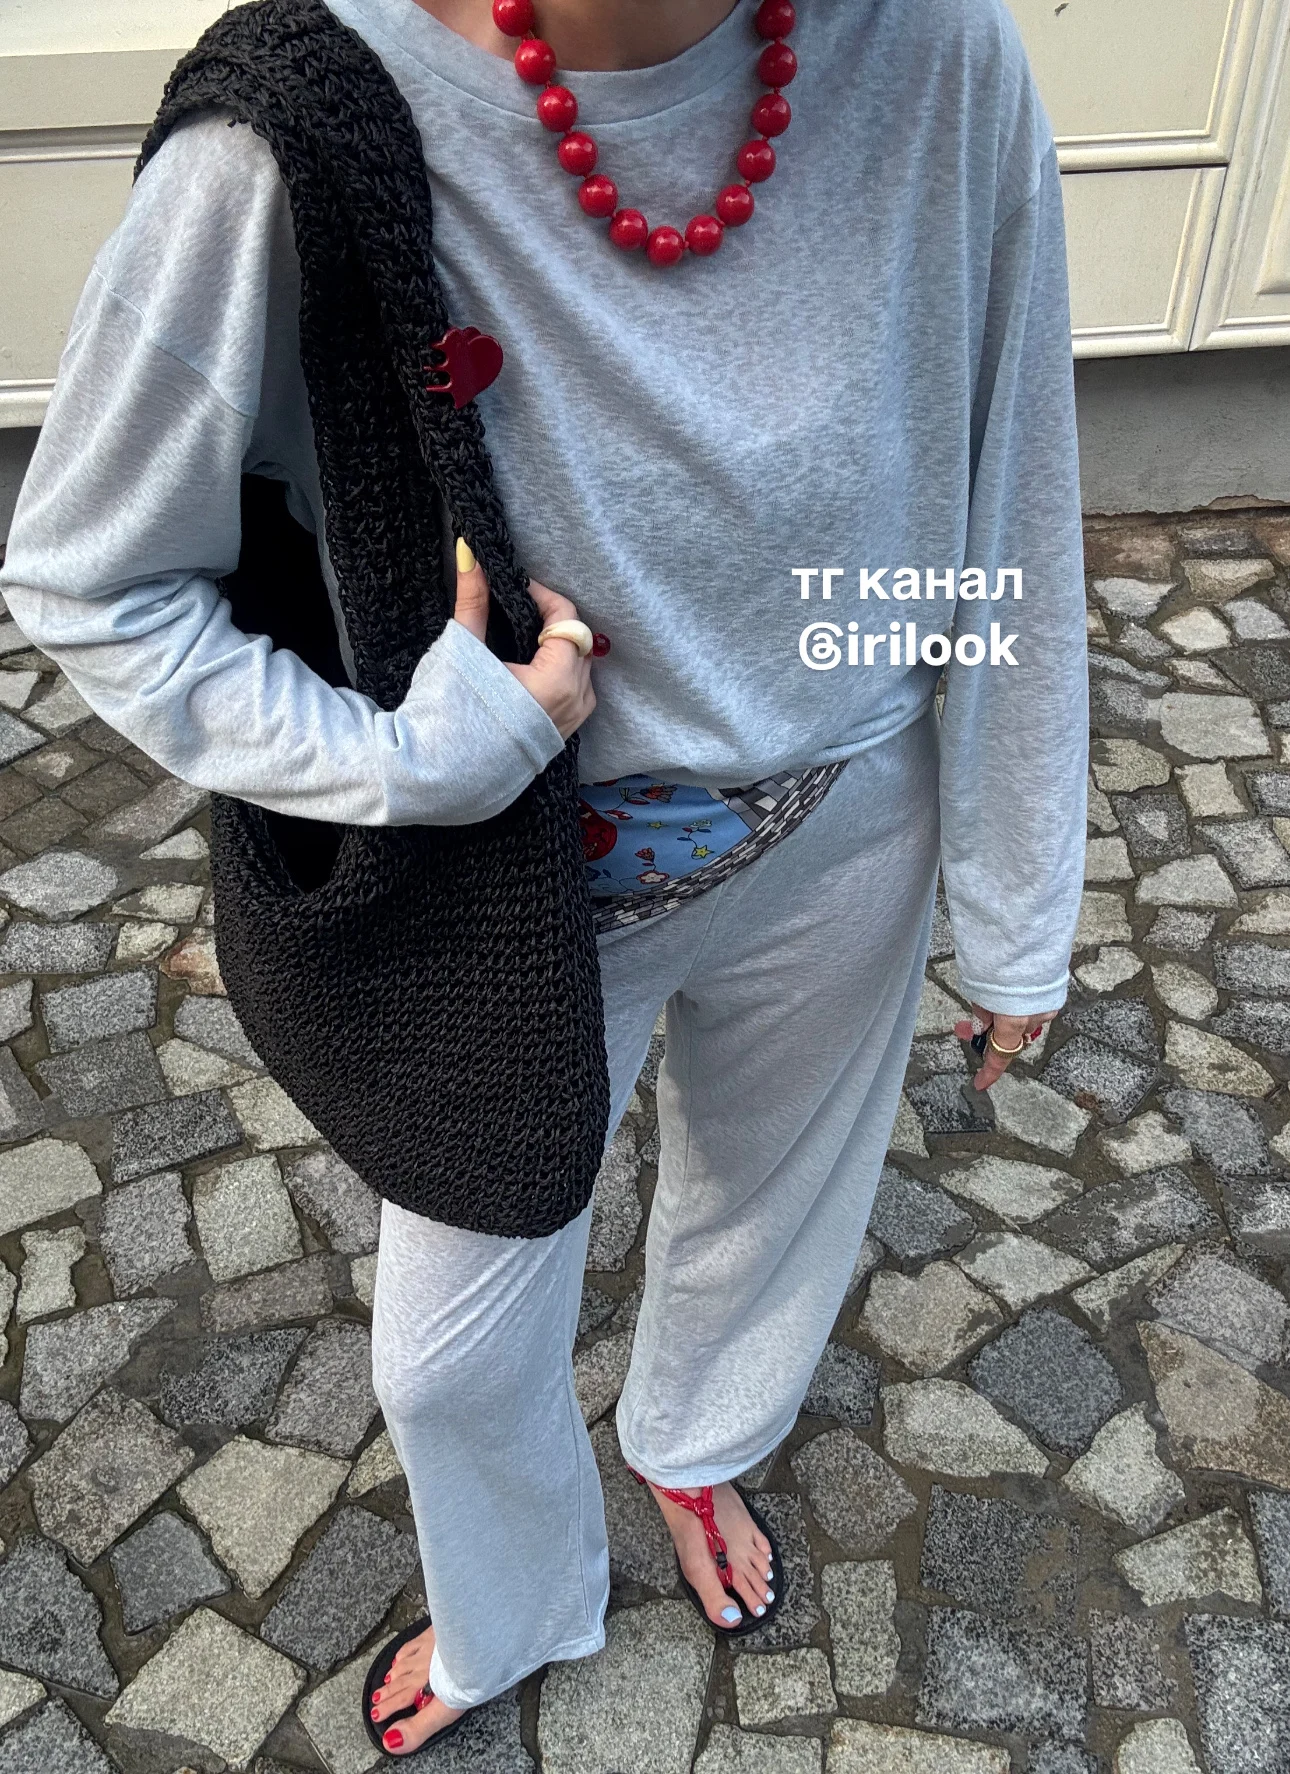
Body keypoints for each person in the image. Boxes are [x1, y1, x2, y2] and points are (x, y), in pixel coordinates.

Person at [0, 0, 1088, 1752]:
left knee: (773, 1203)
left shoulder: (940, 51)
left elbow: (1005, 477)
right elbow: (90, 576)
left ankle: (696, 1444)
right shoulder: (292, 124)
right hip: (511, 895)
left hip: (847, 817)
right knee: (444, 1357)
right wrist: (413, 761)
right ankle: (511, 1598)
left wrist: (1016, 886)